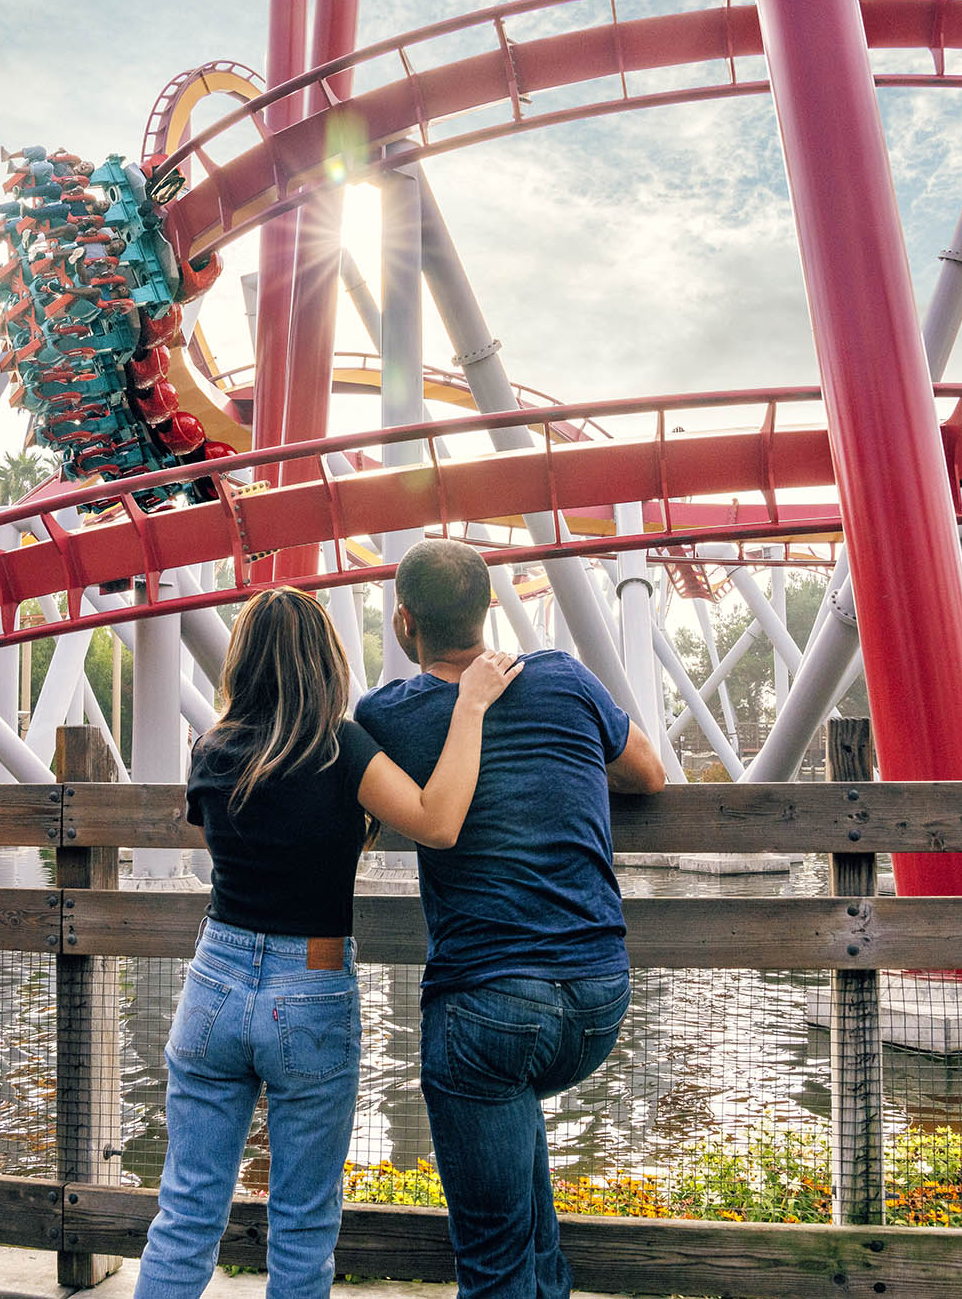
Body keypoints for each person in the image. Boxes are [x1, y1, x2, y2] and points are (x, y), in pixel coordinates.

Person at [133, 586, 524, 1299]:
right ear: (324, 662)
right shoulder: (340, 746)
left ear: (244, 663)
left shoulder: (211, 747)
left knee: (186, 1213)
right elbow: (437, 823)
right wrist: (469, 706)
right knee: (304, 1226)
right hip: (308, 986)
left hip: (214, 981)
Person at [355, 539, 667, 1299]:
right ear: (490, 609)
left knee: (493, 1262)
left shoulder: (386, 715)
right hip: (598, 998)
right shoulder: (564, 676)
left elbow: (358, 814)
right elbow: (649, 776)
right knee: (533, 1230)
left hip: (488, 1009)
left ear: (404, 623)